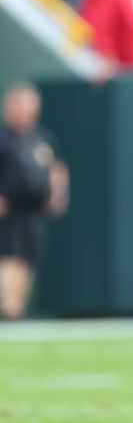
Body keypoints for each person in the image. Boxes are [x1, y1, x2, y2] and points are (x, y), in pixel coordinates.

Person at [0, 84, 69, 319]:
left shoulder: (42, 139)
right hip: (9, 210)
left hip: (34, 210)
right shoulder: (3, 138)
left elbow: (57, 170)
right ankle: (10, 310)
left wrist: (58, 195)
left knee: (27, 259)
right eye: (21, 104)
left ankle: (18, 309)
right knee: (10, 258)